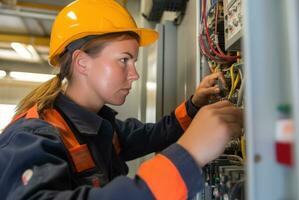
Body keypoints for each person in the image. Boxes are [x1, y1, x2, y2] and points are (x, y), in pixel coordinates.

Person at [0, 0, 243, 199]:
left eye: (134, 62)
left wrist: (195, 105)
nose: (135, 74)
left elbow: (154, 134)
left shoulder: (100, 127)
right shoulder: (31, 136)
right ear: (82, 62)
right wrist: (188, 154)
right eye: (124, 60)